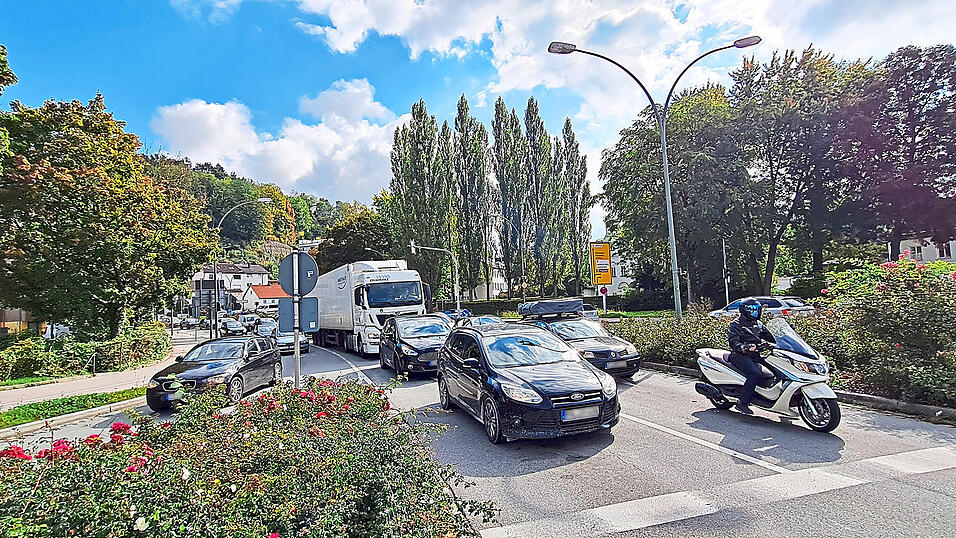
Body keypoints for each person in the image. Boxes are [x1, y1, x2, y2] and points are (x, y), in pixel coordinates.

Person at [727, 298, 776, 415]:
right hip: (739, 356)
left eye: (757, 309)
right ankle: (742, 403)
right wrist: (744, 347)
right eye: (752, 309)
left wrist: (782, 337)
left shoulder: (758, 324)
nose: (755, 312)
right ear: (744, 310)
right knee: (756, 373)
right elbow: (733, 341)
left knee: (776, 369)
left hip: (756, 354)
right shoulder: (736, 325)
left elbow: (771, 336)